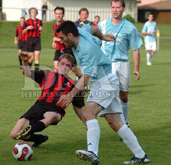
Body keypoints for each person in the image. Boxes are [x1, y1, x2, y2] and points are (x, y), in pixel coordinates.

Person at [56, 21, 149, 165]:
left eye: (62, 38)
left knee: (88, 113)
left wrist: (70, 94)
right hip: (105, 81)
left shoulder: (86, 50)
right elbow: (93, 28)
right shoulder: (80, 31)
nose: (61, 41)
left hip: (104, 82)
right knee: (115, 122)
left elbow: (85, 79)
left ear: (70, 35)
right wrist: (103, 37)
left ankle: (93, 152)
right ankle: (141, 155)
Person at [10, 53, 85, 147]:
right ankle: (40, 138)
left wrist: (87, 124)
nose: (64, 67)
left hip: (56, 110)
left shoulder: (75, 85)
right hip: (39, 106)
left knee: (52, 115)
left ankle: (30, 129)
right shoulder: (47, 74)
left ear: (71, 69)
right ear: (57, 64)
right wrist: (25, 62)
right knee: (14, 135)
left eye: (68, 65)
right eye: (62, 63)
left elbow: (78, 108)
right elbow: (27, 73)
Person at [98, 0, 143, 126]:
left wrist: (136, 68)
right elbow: (94, 40)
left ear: (123, 9)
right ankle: (107, 111)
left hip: (123, 63)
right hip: (108, 64)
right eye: (113, 7)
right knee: (111, 91)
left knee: (123, 96)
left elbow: (135, 49)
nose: (115, 10)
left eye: (118, 7)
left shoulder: (130, 27)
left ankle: (124, 121)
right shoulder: (102, 25)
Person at [52, 6, 82, 77]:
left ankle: (84, 81)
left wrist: (57, 39)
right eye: (57, 14)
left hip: (68, 50)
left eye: (60, 14)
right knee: (56, 68)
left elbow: (69, 39)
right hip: (59, 50)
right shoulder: (54, 26)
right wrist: (54, 41)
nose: (58, 15)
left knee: (74, 70)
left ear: (63, 15)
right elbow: (56, 37)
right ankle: (59, 85)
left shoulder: (67, 25)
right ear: (54, 14)